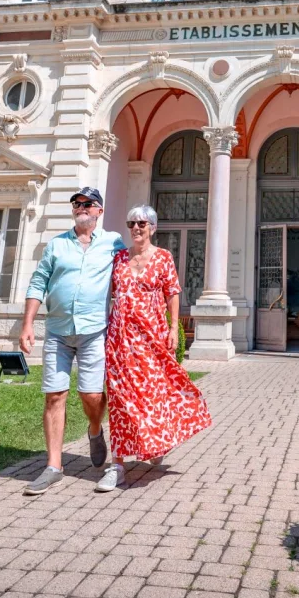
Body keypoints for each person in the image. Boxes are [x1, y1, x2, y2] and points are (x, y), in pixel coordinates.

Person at [96, 204, 211, 492]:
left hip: (152, 340)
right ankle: (118, 464)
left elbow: (172, 292)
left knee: (153, 395)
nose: (136, 228)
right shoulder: (119, 258)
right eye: (132, 222)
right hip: (120, 340)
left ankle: (157, 440)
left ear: (153, 228)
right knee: (121, 400)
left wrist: (174, 328)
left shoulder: (163, 258)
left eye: (142, 224)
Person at [19, 187, 126, 495]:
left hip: (94, 331)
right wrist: (28, 324)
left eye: (87, 203)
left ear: (99, 210)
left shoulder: (113, 243)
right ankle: (53, 466)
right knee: (54, 395)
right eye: (76, 204)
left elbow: (127, 279)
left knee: (92, 395)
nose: (80, 207)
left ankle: (95, 429)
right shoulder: (57, 245)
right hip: (57, 329)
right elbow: (38, 281)